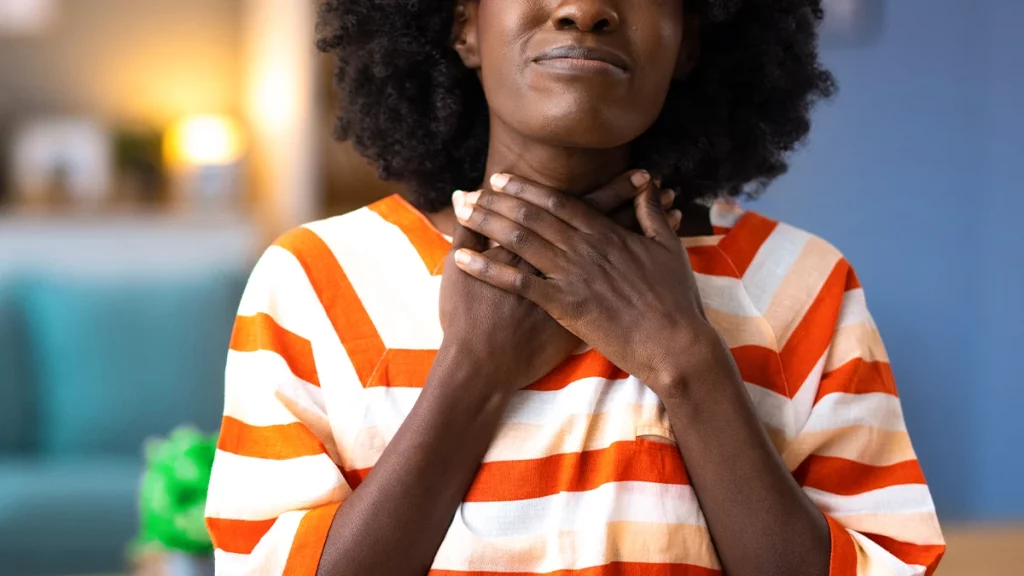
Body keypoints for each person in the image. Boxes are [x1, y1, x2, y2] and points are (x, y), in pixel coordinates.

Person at [205, 0, 945, 575]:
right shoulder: (314, 282)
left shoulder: (807, 287)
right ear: (464, 23)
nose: (585, 8)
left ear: (689, 36)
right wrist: (472, 373)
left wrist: (684, 358)